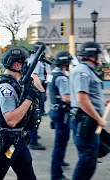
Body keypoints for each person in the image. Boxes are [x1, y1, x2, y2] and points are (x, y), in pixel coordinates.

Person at [0, 47, 37, 180]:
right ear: (17, 65)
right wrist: (29, 99)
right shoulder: (6, 89)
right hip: (6, 142)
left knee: (28, 177)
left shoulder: (17, 84)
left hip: (19, 140)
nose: (26, 66)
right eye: (24, 63)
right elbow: (11, 120)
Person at [69, 41, 107, 180]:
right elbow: (82, 99)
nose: (101, 58)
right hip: (85, 121)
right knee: (87, 160)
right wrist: (99, 118)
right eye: (99, 54)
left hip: (88, 120)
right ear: (92, 56)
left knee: (92, 155)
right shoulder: (82, 71)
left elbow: (88, 96)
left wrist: (101, 103)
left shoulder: (86, 70)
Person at [49, 51, 72, 180]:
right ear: (66, 63)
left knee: (61, 140)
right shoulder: (62, 78)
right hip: (61, 113)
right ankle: (56, 174)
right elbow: (66, 98)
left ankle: (60, 160)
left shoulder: (53, 74)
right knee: (60, 142)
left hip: (55, 110)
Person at [27, 41, 49, 150]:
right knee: (35, 116)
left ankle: (32, 135)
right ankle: (33, 140)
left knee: (32, 115)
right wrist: (42, 92)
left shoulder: (31, 60)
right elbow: (35, 78)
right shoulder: (36, 62)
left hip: (31, 91)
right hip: (35, 91)